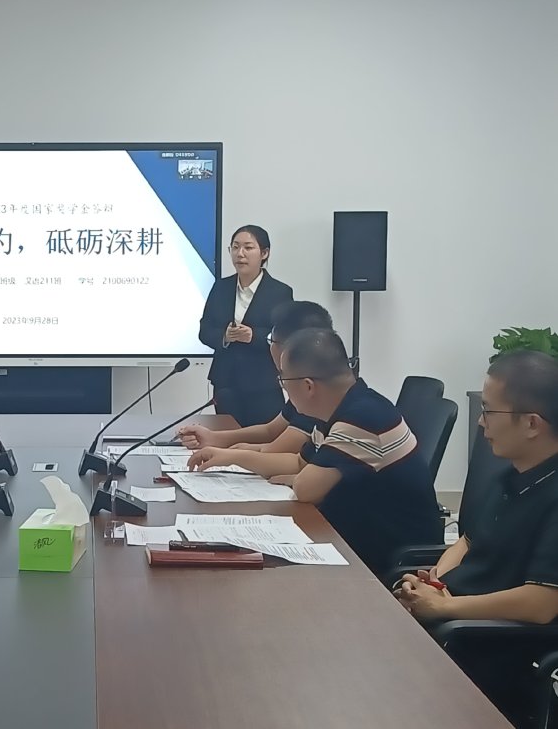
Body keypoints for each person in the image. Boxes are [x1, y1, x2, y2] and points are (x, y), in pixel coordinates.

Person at [189, 329, 442, 575]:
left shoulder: (364, 418)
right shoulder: (340, 408)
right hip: (354, 534)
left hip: (389, 559)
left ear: (308, 386)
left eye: (283, 380)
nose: (284, 389)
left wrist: (300, 476)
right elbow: (299, 463)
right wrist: (232, 456)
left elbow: (305, 488)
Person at [394, 351, 558, 729]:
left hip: (490, 650)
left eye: (489, 411)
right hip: (453, 625)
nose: (482, 422)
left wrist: (446, 608)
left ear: (531, 423)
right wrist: (434, 583)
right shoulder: (512, 475)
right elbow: (467, 540)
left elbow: (541, 603)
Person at [179, 300, 332, 454]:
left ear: (290, 346)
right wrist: (213, 438)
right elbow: (270, 431)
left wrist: (230, 453)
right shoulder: (318, 378)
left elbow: (283, 453)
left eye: (271, 340)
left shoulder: (313, 392)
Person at [198, 225, 293, 425]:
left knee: (262, 438)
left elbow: (286, 336)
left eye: (248, 248)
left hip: (263, 384)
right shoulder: (221, 287)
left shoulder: (279, 292)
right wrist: (225, 336)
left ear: (264, 253)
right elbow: (205, 331)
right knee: (227, 437)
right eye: (235, 247)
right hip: (226, 383)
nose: (240, 254)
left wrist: (254, 336)